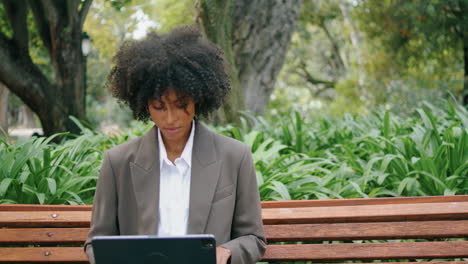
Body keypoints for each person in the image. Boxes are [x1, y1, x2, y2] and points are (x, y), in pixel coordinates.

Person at [84, 26, 266, 264]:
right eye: (159, 107)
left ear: (199, 98)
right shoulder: (117, 163)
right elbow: (96, 242)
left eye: (181, 104)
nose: (170, 118)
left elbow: (254, 238)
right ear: (144, 104)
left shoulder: (235, 156)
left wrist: (227, 252)